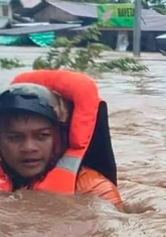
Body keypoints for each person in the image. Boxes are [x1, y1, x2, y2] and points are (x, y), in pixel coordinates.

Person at [0, 70, 123, 208]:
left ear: (60, 138)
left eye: (42, 136)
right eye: (14, 138)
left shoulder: (95, 190)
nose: (29, 147)